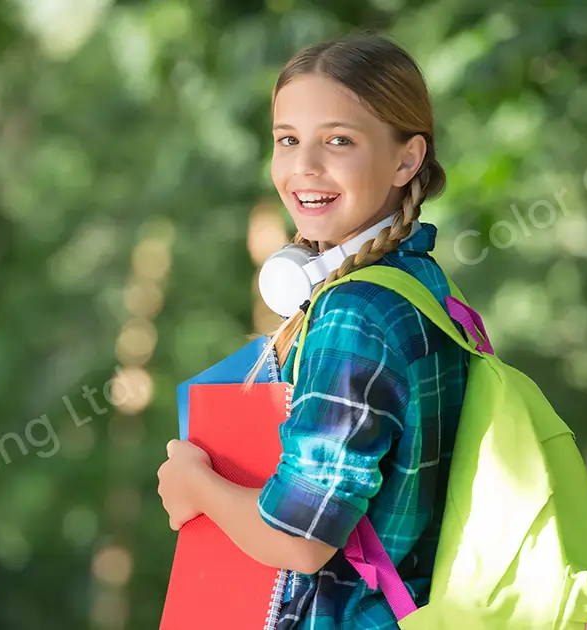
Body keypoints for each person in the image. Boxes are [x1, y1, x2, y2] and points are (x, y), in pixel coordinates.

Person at [157, 34, 469, 629]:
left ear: (407, 160)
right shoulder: (420, 283)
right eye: (288, 140)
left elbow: (301, 536)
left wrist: (197, 488)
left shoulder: (354, 314)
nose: (304, 166)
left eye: (339, 141)